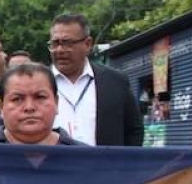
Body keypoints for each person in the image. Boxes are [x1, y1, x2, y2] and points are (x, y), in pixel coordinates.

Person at [48, 14, 144, 146]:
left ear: (88, 44)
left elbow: (134, 130)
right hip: (52, 165)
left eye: (67, 43)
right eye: (54, 43)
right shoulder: (38, 83)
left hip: (104, 165)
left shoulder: (115, 81)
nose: (59, 50)